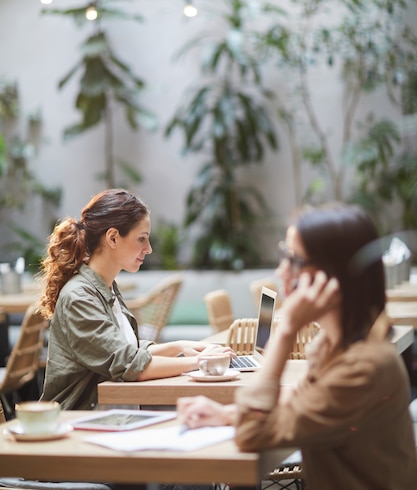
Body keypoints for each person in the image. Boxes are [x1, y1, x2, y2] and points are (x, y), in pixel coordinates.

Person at [177, 202, 417, 490]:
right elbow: (293, 410)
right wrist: (225, 415)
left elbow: (254, 433)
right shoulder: (334, 348)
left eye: (293, 260)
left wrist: (286, 331)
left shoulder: (362, 368)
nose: (281, 270)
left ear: (332, 274)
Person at [38, 188, 232, 410]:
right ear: (113, 238)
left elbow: (122, 349)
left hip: (115, 419)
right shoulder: (79, 297)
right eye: (141, 239)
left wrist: (180, 346)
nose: (148, 249)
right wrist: (201, 363)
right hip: (78, 426)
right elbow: (129, 364)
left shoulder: (107, 286)